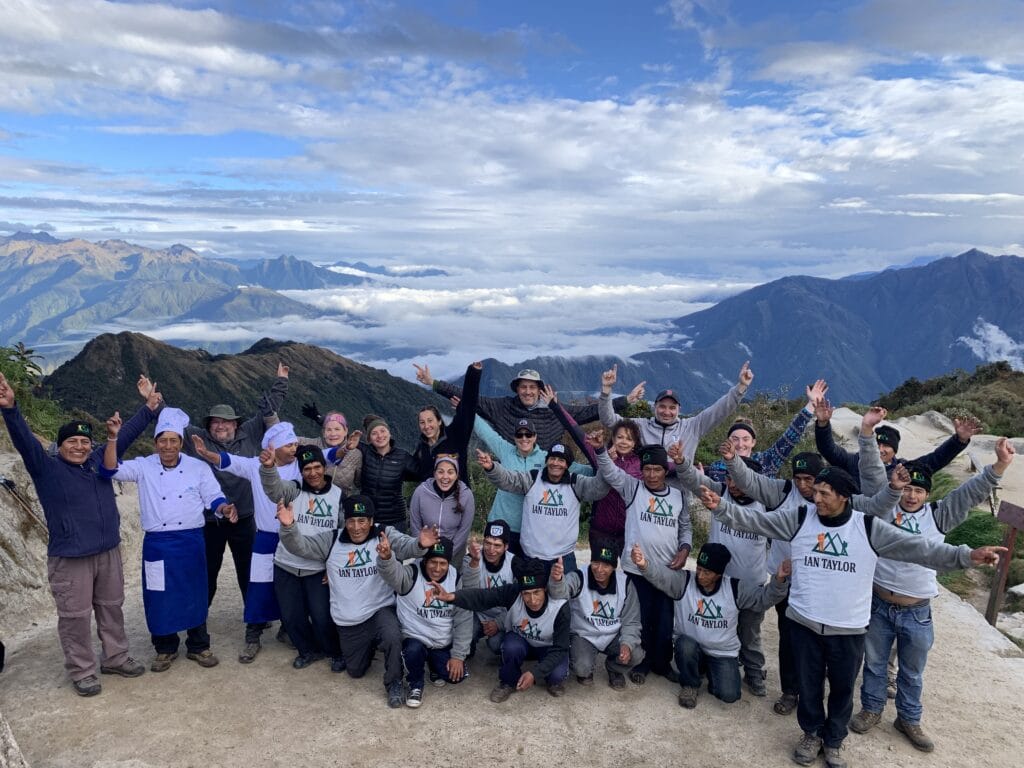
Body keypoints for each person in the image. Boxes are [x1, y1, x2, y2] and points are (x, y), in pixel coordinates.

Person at [700, 449, 1006, 768]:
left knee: (843, 689)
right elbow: (757, 521)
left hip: (848, 629)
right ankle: (811, 734)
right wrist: (721, 507)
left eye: (823, 493)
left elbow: (920, 549)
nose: (815, 498)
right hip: (804, 622)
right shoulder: (799, 519)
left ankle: (833, 742)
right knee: (809, 684)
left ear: (844, 497)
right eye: (814, 491)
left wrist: (967, 555)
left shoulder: (869, 527)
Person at [848, 436, 1016, 753]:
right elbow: (870, 473)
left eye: (919, 490)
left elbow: (970, 492)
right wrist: (868, 434)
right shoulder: (883, 510)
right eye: (908, 488)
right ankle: (871, 709)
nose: (911, 495)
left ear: (927, 494)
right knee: (874, 664)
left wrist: (1000, 466)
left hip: (916, 609)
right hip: (879, 602)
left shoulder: (938, 514)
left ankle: (909, 719)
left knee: (912, 672)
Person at [0, 373, 159, 696]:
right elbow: (24, 442)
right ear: (59, 447)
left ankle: (115, 657)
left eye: (85, 441)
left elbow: (123, 435)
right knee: (74, 616)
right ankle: (82, 670)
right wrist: (10, 408)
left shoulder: (99, 461)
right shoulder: (47, 469)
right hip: (70, 557)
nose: (79, 446)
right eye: (72, 441)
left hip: (107, 551)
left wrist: (149, 408)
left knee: (112, 606)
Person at [102, 407, 235, 673]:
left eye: (173, 440)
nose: (168, 446)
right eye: (163, 440)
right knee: (159, 596)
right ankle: (165, 648)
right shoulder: (143, 466)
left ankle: (198, 645)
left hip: (191, 540)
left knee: (196, 592)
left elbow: (214, 498)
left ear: (181, 443)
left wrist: (225, 508)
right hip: (158, 543)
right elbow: (109, 471)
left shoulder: (197, 468)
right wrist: (113, 438)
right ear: (155, 443)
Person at [276, 494, 438, 708]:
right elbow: (301, 547)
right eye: (351, 520)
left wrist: (420, 543)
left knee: (392, 635)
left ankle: (394, 683)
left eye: (362, 520)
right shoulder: (332, 539)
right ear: (345, 520)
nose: (356, 527)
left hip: (379, 610)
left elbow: (407, 546)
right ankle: (369, 647)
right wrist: (289, 526)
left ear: (371, 521)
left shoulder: (383, 534)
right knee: (355, 671)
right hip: (349, 621)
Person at [182, 363, 289, 652]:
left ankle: (257, 616)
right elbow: (170, 424)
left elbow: (268, 412)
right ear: (208, 426)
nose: (221, 426)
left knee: (249, 571)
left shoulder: (251, 433)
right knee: (208, 570)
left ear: (236, 425)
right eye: (215, 422)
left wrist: (280, 381)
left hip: (245, 517)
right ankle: (198, 618)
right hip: (210, 521)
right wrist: (152, 405)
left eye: (226, 422)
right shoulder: (196, 439)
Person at [190, 421, 301, 664]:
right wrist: (205, 453)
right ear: (274, 448)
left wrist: (345, 449)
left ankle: (287, 629)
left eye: (295, 444)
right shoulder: (254, 465)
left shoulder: (301, 465)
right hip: (265, 536)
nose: (294, 448)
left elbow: (328, 455)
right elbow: (227, 461)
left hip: (292, 536)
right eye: (289, 445)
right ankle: (253, 635)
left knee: (291, 585)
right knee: (258, 586)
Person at [632, 541, 790, 708]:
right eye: (699, 569)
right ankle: (690, 684)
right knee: (684, 645)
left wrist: (779, 580)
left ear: (719, 574)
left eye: (707, 572)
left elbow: (763, 599)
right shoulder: (685, 581)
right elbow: (662, 576)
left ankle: (710, 673)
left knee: (730, 695)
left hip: (722, 652)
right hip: (691, 648)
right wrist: (644, 564)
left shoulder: (735, 588)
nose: (700, 576)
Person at [671, 442, 774, 697]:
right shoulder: (720, 492)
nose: (733, 484)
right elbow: (695, 480)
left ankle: (753, 672)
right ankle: (707, 665)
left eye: (739, 479)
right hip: (718, 580)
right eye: (730, 477)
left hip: (750, 582)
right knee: (711, 624)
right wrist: (682, 462)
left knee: (749, 633)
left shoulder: (765, 504)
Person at [593, 439, 690, 685]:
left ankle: (663, 663)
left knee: (665, 619)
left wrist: (685, 548)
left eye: (657, 469)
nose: (652, 474)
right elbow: (610, 472)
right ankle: (644, 661)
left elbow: (685, 526)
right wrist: (600, 451)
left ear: (665, 471)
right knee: (642, 618)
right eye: (647, 469)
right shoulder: (633, 488)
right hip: (636, 569)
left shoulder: (678, 495)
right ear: (641, 471)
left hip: (667, 568)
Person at [429, 556, 570, 703]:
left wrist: (534, 673)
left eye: (536, 592)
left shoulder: (560, 607)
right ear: (520, 591)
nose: (532, 600)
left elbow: (560, 648)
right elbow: (484, 596)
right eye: (526, 594)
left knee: (556, 675)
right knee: (511, 647)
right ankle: (508, 682)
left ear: (545, 590)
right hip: (522, 640)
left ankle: (551, 679)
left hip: (549, 647)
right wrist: (452, 596)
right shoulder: (513, 592)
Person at [255, 441, 345, 671]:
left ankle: (334, 651)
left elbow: (343, 537)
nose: (313, 473)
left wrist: (331, 566)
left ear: (324, 467)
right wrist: (268, 468)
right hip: (286, 564)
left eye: (317, 467)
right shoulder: (294, 489)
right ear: (301, 470)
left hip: (317, 568)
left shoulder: (338, 496)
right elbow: (274, 489)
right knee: (291, 615)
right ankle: (307, 650)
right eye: (307, 468)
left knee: (322, 615)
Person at [415, 364, 637, 449]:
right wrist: (433, 383)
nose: (528, 391)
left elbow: (591, 412)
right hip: (512, 473)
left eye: (532, 387)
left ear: (540, 389)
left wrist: (624, 400)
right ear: (516, 389)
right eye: (523, 387)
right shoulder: (503, 407)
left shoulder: (555, 410)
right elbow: (469, 396)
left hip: (548, 475)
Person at [476, 441, 610, 575]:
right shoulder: (533, 478)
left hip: (563, 558)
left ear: (567, 465)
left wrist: (604, 457)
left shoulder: (576, 482)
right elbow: (508, 479)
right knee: (530, 595)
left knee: (566, 595)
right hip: (530, 557)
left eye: (561, 460)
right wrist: (492, 467)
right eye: (552, 458)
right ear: (547, 461)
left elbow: (599, 488)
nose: (555, 463)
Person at [473, 415, 591, 556]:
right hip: (501, 523)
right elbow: (486, 432)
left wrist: (605, 465)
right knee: (497, 570)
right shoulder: (505, 450)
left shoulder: (547, 458)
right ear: (515, 437)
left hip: (529, 531)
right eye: (520, 434)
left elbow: (579, 469)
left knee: (522, 573)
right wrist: (467, 409)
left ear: (535, 437)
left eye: (528, 434)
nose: (524, 438)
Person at [378, 536, 472, 708]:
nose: (437, 568)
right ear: (425, 559)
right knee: (413, 651)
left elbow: (463, 619)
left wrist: (458, 655)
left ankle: (435, 666)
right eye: (433, 562)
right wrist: (386, 558)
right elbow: (392, 574)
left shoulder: (456, 578)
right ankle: (415, 684)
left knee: (457, 677)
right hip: (415, 636)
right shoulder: (411, 573)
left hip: (441, 640)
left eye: (443, 563)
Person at [813, 398, 981, 491]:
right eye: (877, 444)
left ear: (895, 450)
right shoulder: (852, 461)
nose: (880, 449)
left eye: (887, 446)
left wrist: (959, 440)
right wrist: (823, 424)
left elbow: (937, 459)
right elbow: (828, 449)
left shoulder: (903, 469)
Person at [596, 361, 753, 457]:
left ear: (679, 409)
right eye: (662, 406)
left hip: (679, 496)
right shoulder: (639, 426)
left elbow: (719, 410)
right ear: (654, 407)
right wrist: (606, 391)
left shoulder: (692, 427)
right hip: (644, 494)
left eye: (672, 407)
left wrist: (740, 389)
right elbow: (609, 420)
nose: (666, 411)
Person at [547, 544, 644, 689]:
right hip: (584, 634)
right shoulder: (579, 575)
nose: (599, 569)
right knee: (582, 668)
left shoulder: (625, 583)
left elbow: (632, 621)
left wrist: (626, 644)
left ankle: (614, 669)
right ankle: (587, 668)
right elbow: (559, 595)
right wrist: (557, 581)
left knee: (636, 654)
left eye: (606, 565)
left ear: (614, 567)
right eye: (596, 562)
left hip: (613, 636)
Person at [703, 379, 826, 483]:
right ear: (728, 441)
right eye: (735, 439)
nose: (740, 444)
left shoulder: (766, 461)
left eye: (746, 439)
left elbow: (790, 437)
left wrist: (811, 405)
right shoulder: (717, 468)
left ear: (753, 442)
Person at [345, 416, 420, 532]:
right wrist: (319, 418)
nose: (380, 436)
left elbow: (421, 473)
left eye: (383, 431)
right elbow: (341, 436)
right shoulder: (365, 451)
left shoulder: (402, 456)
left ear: (389, 433)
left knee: (394, 550)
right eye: (374, 433)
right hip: (368, 518)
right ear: (369, 439)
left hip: (395, 520)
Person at [411, 362, 481, 482]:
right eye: (422, 422)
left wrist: (473, 373)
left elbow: (468, 408)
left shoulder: (455, 435)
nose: (426, 426)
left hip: (458, 498)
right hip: (431, 499)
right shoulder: (421, 448)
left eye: (430, 421)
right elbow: (410, 471)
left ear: (439, 421)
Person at [409, 456, 475, 566]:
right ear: (434, 473)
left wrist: (447, 553)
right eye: (440, 472)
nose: (445, 477)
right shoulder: (421, 491)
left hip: (454, 554)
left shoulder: (466, 495)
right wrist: (422, 548)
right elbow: (415, 525)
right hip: (424, 551)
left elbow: (464, 530)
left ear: (457, 475)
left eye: (450, 472)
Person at [464, 521, 516, 659]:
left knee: (496, 645)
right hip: (477, 612)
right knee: (466, 634)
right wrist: (474, 562)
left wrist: (498, 623)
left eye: (497, 545)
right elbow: (467, 593)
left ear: (506, 546)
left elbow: (520, 601)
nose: (491, 549)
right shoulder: (471, 558)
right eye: (487, 543)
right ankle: (469, 646)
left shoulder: (515, 563)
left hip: (503, 615)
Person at [296, 407, 362, 495]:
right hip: (309, 502)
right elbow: (284, 440)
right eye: (329, 430)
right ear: (323, 432)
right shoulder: (310, 445)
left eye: (337, 429)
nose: (333, 434)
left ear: (346, 431)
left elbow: (361, 483)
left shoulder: (356, 454)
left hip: (340, 504)